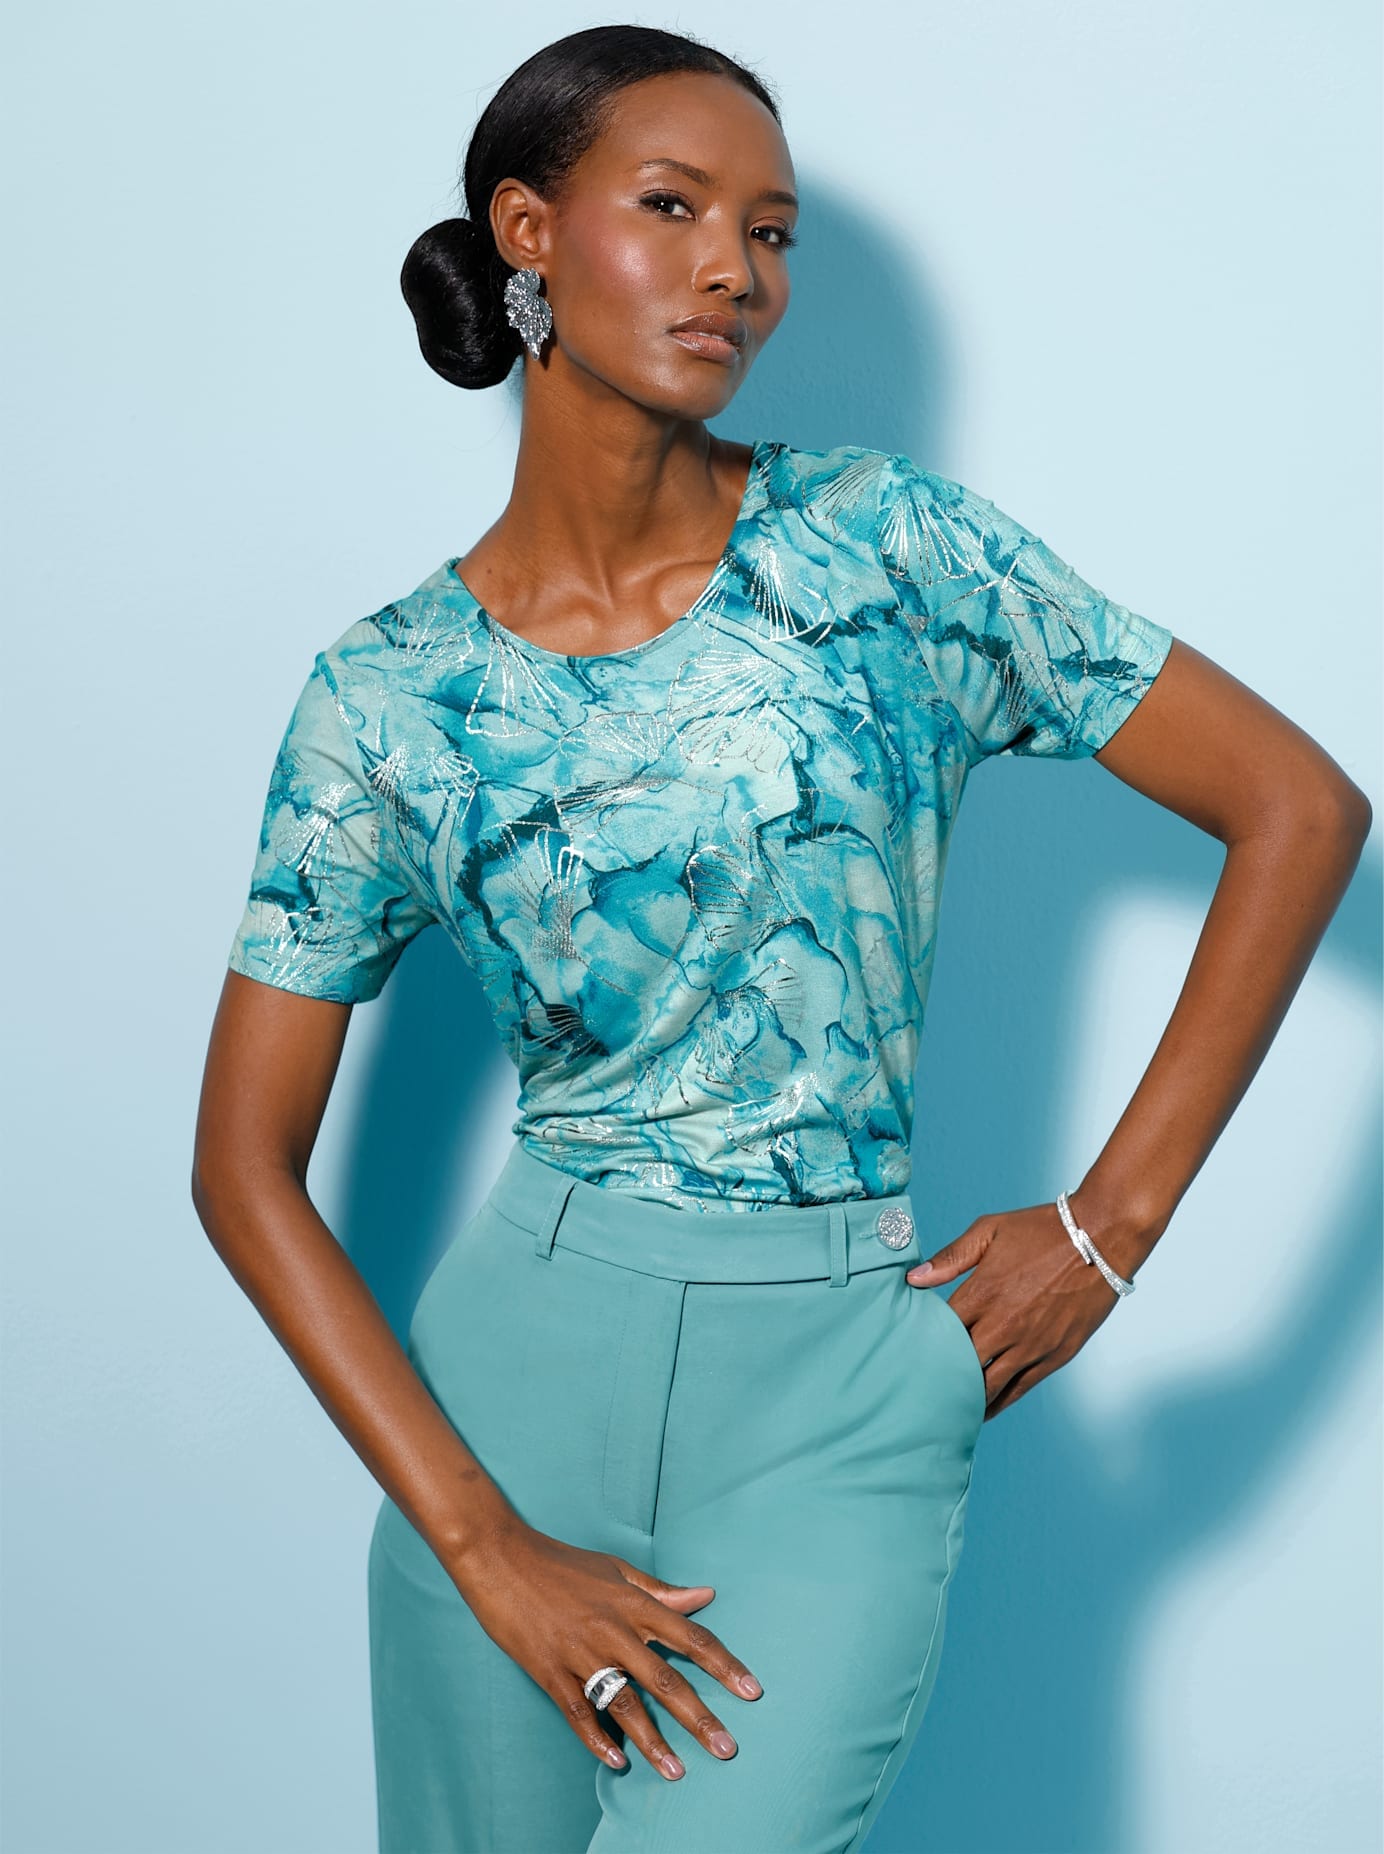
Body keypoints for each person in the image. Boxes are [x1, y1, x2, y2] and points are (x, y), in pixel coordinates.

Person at [189, 22, 1372, 1854]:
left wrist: (1110, 1226)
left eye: (771, 231)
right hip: (509, 1397)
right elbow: (241, 1167)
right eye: (673, 208)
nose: (735, 270)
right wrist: (484, 1543)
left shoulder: (890, 550)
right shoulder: (387, 694)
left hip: (836, 1386)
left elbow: (1299, 807)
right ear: (528, 233)